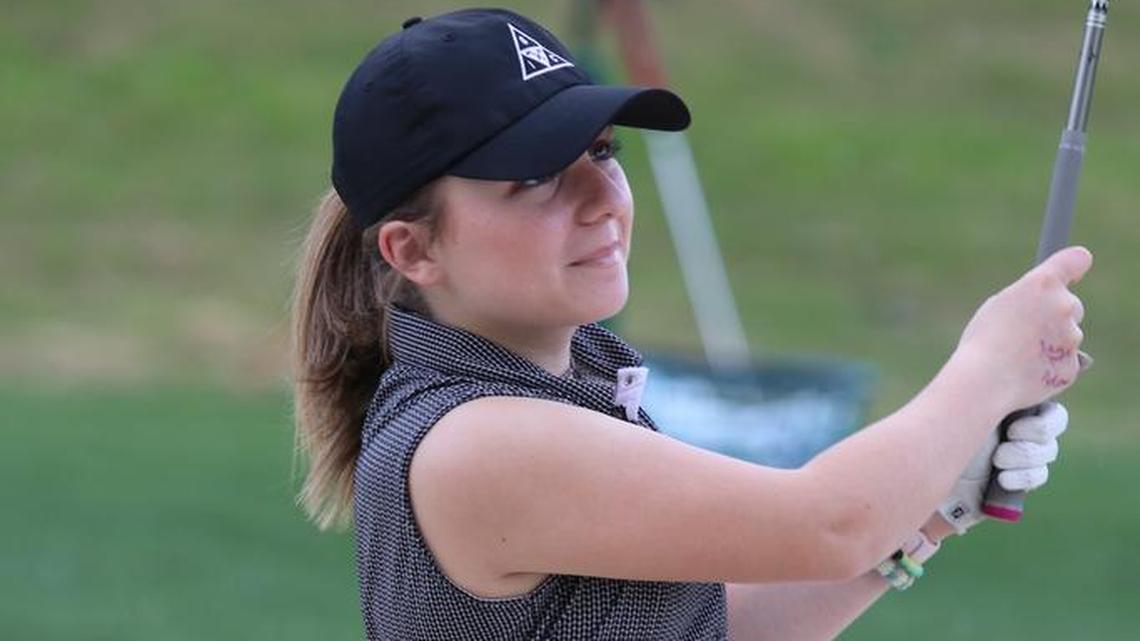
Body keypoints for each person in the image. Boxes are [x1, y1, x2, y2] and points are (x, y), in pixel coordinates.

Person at [289, 8, 1090, 640]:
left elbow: (718, 628)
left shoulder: (562, 389)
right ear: (414, 249)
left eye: (603, 152)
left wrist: (934, 506)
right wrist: (988, 365)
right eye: (534, 177)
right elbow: (830, 521)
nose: (602, 199)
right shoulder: (477, 440)